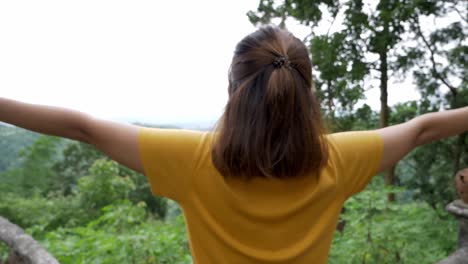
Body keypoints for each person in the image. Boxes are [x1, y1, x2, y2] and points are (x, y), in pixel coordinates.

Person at [0, 25, 467, 263]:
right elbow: (423, 128)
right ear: (307, 94)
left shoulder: (191, 160)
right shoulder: (339, 159)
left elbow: (83, 127)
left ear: (232, 90)